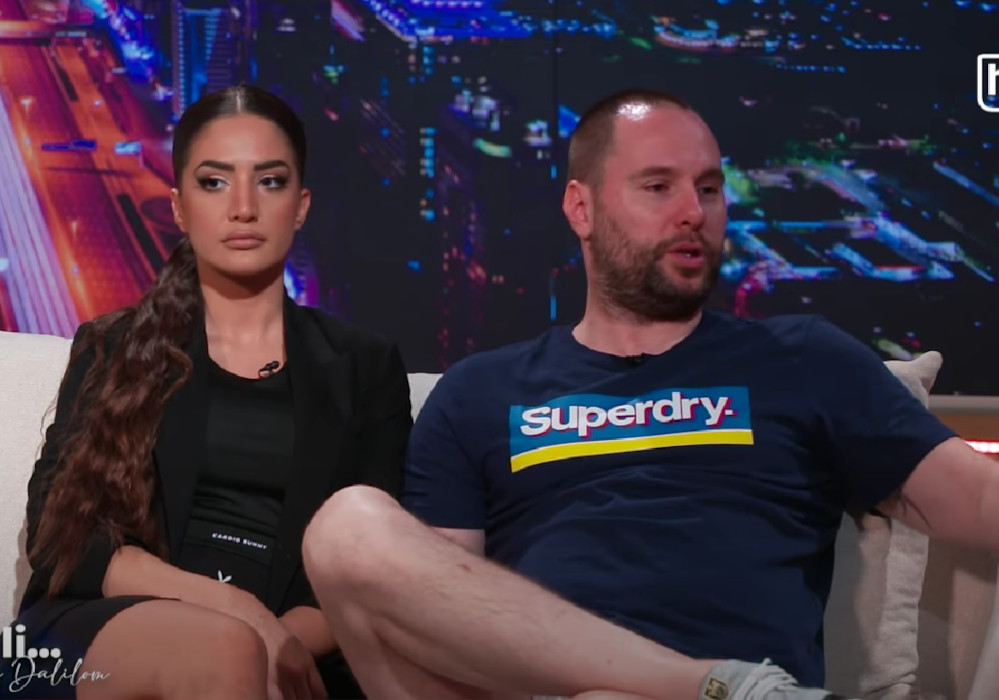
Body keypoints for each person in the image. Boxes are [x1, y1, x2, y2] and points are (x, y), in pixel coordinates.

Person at [300, 89, 999, 700]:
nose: (693, 212)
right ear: (581, 208)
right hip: (556, 689)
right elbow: (434, 612)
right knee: (347, 526)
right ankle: (711, 685)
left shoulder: (802, 358)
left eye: (709, 189)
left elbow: (975, 500)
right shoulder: (479, 392)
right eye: (658, 187)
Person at [3, 84, 412, 700]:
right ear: (178, 206)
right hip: (94, 635)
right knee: (226, 648)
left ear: (300, 206)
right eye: (215, 182)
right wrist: (239, 614)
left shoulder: (365, 367)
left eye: (269, 182)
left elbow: (373, 567)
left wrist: (275, 641)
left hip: (296, 647)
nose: (243, 207)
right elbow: (64, 538)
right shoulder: (114, 346)